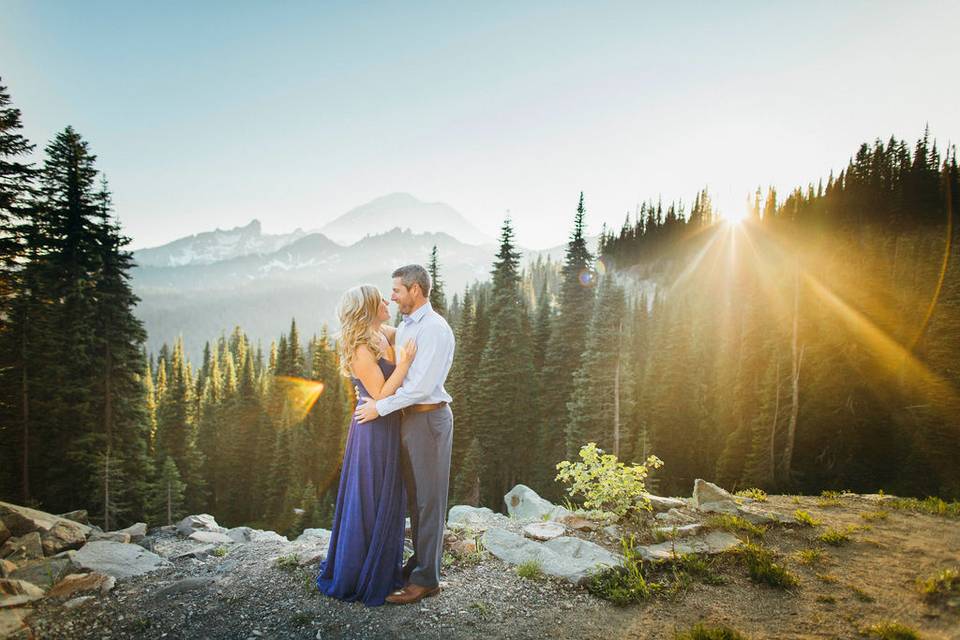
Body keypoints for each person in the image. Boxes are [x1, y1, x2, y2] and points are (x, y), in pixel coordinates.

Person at [355, 264, 456, 605]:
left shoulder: (434, 330)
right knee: (416, 499)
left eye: (397, 290)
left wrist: (377, 408)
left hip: (428, 420)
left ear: (415, 289)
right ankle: (419, 566)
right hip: (410, 421)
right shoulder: (408, 325)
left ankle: (427, 580)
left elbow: (420, 388)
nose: (393, 296)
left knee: (429, 501)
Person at [316, 284, 417, 606]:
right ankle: (361, 573)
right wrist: (405, 363)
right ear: (367, 309)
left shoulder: (380, 333)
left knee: (387, 495)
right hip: (372, 429)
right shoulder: (360, 347)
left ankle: (383, 567)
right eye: (380, 300)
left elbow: (406, 330)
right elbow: (380, 394)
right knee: (372, 497)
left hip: (388, 425)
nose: (387, 301)